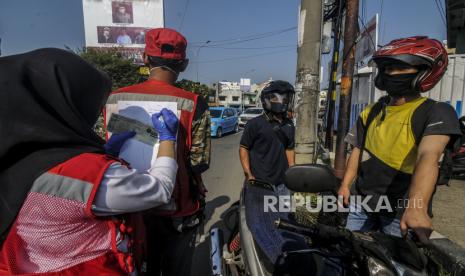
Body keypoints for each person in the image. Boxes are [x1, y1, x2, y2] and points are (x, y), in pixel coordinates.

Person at [0, 48, 179, 274]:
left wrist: (106, 152)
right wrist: (167, 139)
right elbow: (159, 190)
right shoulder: (83, 172)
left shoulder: (14, 153)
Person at [105, 28, 211, 276]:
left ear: (145, 58)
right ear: (184, 64)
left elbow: (102, 152)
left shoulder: (113, 98)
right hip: (176, 209)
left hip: (124, 206)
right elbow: (199, 161)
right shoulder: (194, 102)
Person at [337, 36, 461, 243]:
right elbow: (357, 150)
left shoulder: (436, 112)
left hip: (399, 211)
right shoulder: (372, 110)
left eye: (400, 68)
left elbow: (428, 155)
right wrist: (345, 185)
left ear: (425, 71)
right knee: (349, 253)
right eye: (387, 68)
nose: (391, 74)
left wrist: (416, 207)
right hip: (362, 202)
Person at [239, 80, 295, 193]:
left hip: (282, 184)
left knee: (284, 211)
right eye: (276, 98)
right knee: (258, 211)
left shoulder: (289, 124)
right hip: (260, 183)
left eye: (285, 98)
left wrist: (292, 173)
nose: (282, 101)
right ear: (266, 100)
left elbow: (289, 149)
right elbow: (243, 148)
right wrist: (248, 174)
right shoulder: (254, 124)